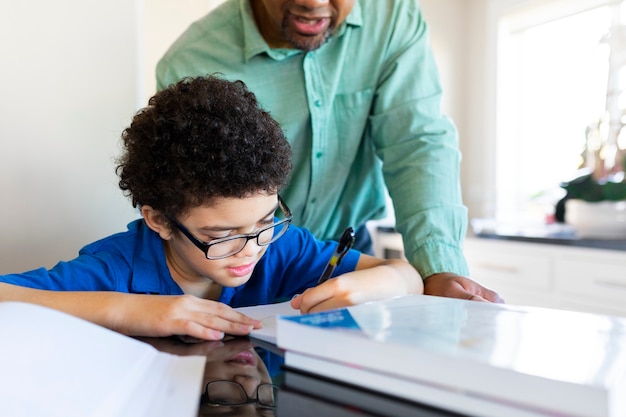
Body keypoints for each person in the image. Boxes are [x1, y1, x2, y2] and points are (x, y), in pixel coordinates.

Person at [0, 75, 423, 341]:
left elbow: (409, 277)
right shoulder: (116, 269)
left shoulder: (281, 247)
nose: (250, 251)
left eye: (266, 221)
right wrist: (125, 310)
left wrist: (362, 287)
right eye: (221, 237)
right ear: (160, 220)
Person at [156, 0, 503, 303]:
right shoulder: (193, 59)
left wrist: (437, 269)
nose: (314, 2)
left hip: (348, 249)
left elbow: (416, 143)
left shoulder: (393, 18)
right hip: (250, 262)